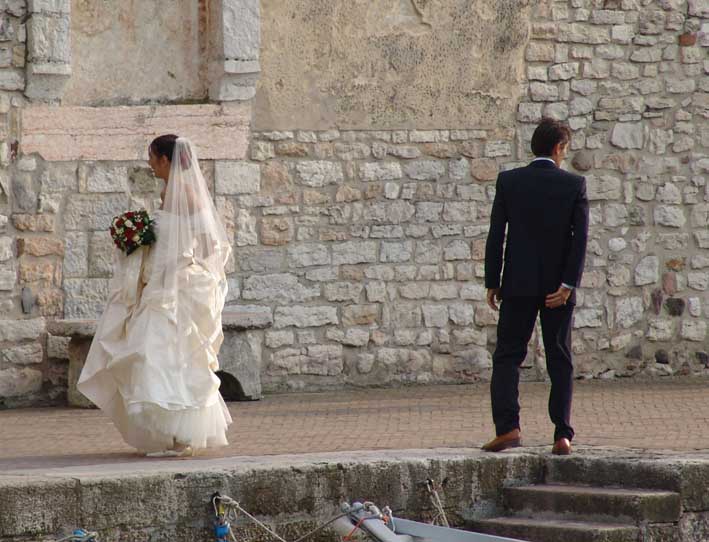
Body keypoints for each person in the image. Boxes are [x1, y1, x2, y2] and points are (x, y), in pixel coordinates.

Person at [78, 135, 233, 457]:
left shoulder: (189, 194)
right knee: (156, 356)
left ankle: (180, 435)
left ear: (165, 159)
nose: (149, 164)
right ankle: (169, 435)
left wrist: (186, 265)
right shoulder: (167, 191)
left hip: (178, 288)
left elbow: (208, 244)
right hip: (159, 286)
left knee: (166, 356)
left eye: (151, 157)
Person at [482, 118, 589, 456]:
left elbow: (497, 234)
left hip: (517, 284)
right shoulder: (574, 185)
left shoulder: (509, 182)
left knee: (508, 356)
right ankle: (562, 434)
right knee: (560, 357)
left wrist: (493, 281)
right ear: (558, 148)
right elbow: (579, 242)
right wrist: (569, 284)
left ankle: (508, 428)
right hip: (557, 288)